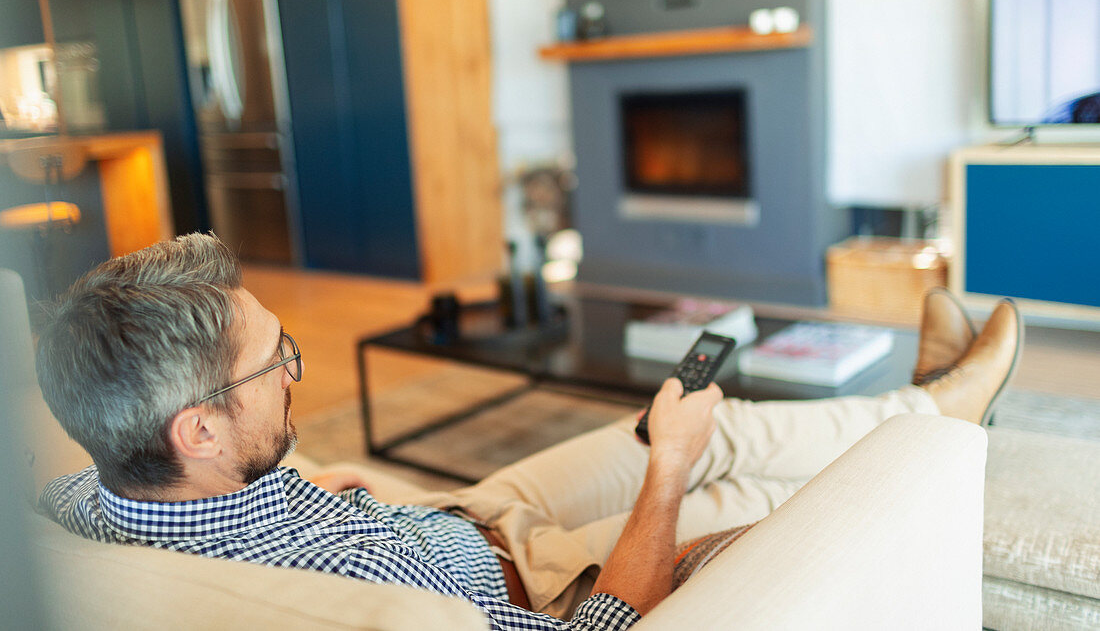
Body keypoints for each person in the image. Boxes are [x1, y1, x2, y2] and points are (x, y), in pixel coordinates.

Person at [35, 233, 1021, 631]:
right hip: (546, 586)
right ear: (198, 428)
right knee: (704, 462)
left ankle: (928, 403)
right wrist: (663, 476)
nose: (299, 368)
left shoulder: (83, 497)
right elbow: (597, 626)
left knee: (691, 420)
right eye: (275, 360)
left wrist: (325, 484)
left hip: (461, 518)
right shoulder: (367, 598)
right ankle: (932, 417)